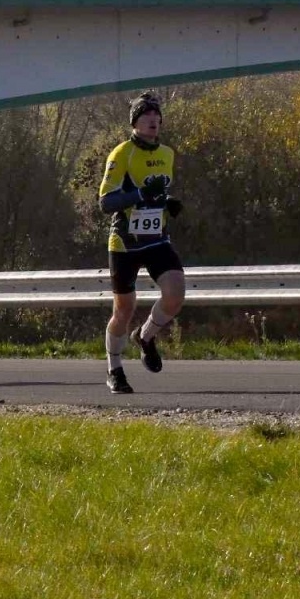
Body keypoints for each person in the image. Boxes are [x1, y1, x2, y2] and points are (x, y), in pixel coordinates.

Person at [99, 91, 186, 394]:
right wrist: (139, 195)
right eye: (146, 115)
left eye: (156, 115)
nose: (153, 119)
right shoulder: (122, 153)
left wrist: (167, 202)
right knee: (123, 310)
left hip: (156, 240)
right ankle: (114, 368)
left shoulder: (167, 154)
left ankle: (145, 336)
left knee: (175, 294)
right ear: (134, 122)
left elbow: (156, 191)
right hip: (125, 243)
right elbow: (106, 202)